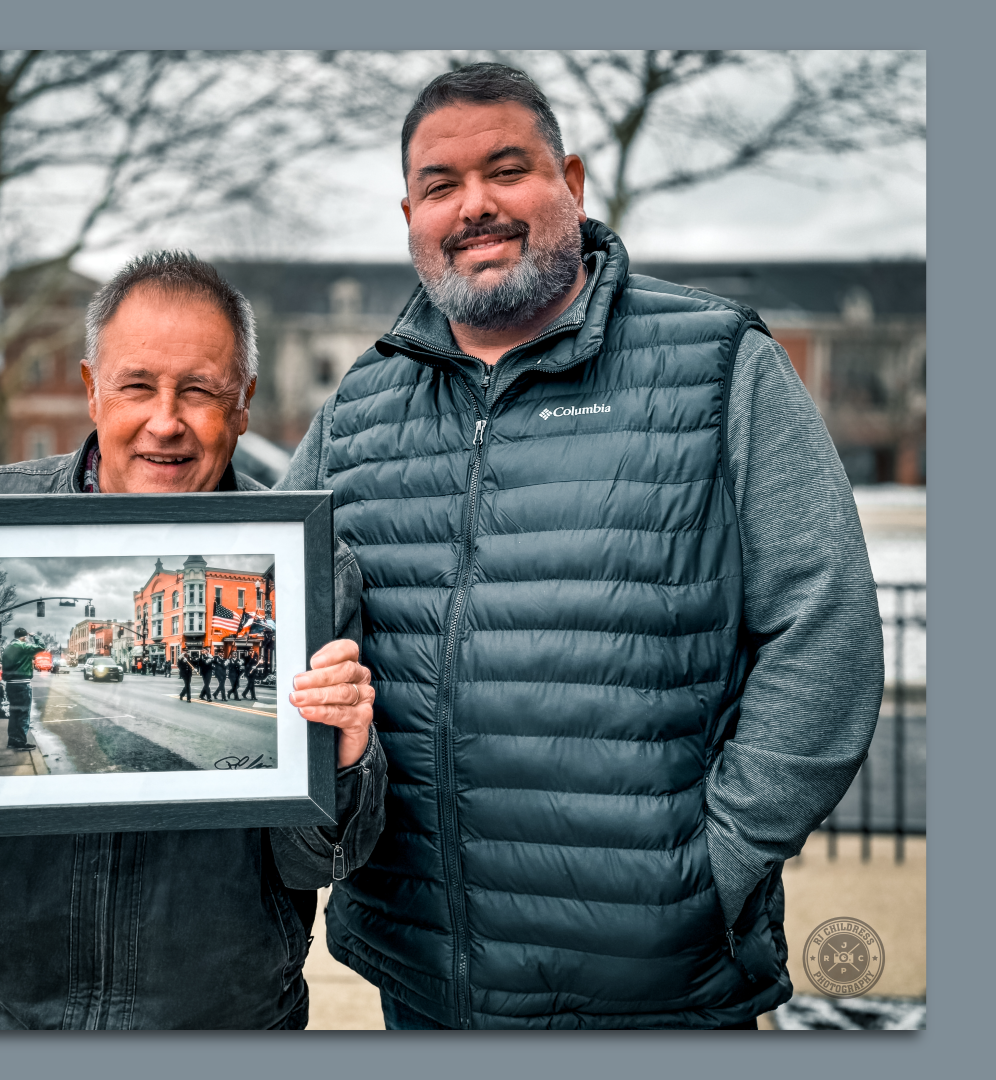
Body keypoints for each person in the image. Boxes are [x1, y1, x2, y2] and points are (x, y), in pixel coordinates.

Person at [278, 64, 883, 1030]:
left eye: (506, 171)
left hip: (657, 987)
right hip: (428, 981)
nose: (474, 206)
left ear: (573, 182)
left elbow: (827, 634)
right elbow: (267, 622)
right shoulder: (359, 407)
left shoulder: (718, 364)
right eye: (441, 186)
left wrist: (709, 873)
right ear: (409, 212)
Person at [0, 251, 385, 1030]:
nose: (165, 420)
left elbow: (324, 860)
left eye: (200, 390)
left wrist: (344, 764)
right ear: (92, 388)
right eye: (137, 385)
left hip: (226, 1021)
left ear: (243, 405)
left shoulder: (309, 567)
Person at [0, 627, 42, 752]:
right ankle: (21, 742)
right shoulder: (23, 646)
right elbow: (41, 646)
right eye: (26, 637)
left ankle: (12, 741)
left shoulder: (8, 648)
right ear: (24, 637)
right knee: (23, 714)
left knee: (14, 714)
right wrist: (35, 635)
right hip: (22, 685)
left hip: (11, 685)